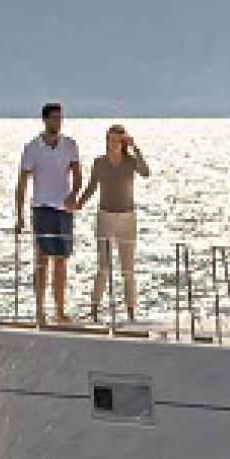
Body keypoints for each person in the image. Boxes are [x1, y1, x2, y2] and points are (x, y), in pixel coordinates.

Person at [15, 102, 82, 327]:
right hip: (41, 208)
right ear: (45, 120)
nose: (58, 122)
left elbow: (78, 174)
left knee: (61, 262)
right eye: (54, 118)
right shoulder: (32, 147)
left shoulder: (70, 145)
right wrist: (19, 216)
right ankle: (39, 310)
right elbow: (22, 183)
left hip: (63, 210)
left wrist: (74, 194)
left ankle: (60, 311)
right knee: (41, 261)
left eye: (60, 118)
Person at [82, 124, 151, 324]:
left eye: (116, 140)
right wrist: (77, 203)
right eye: (110, 140)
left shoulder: (130, 162)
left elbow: (146, 172)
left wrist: (135, 147)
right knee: (103, 267)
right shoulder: (99, 163)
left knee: (127, 269)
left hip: (127, 218)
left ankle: (131, 313)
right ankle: (94, 309)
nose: (112, 144)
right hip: (105, 217)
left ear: (123, 142)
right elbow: (91, 188)